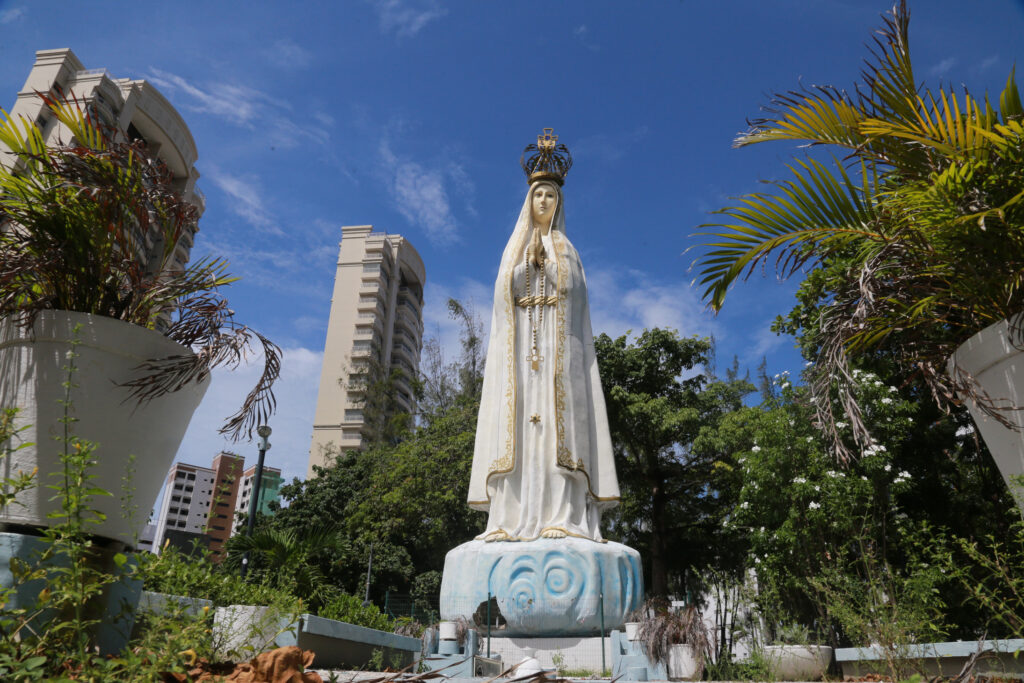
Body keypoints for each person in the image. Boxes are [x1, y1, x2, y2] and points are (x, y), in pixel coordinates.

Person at [467, 140, 620, 542]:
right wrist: (522, 267)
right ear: (528, 200)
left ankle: (563, 515)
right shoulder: (513, 249)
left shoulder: (565, 247)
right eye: (539, 194)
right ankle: (506, 517)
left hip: (556, 352)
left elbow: (578, 297)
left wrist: (549, 264)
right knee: (515, 429)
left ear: (559, 203)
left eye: (551, 195)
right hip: (521, 357)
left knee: (557, 429)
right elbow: (502, 298)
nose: (545, 201)